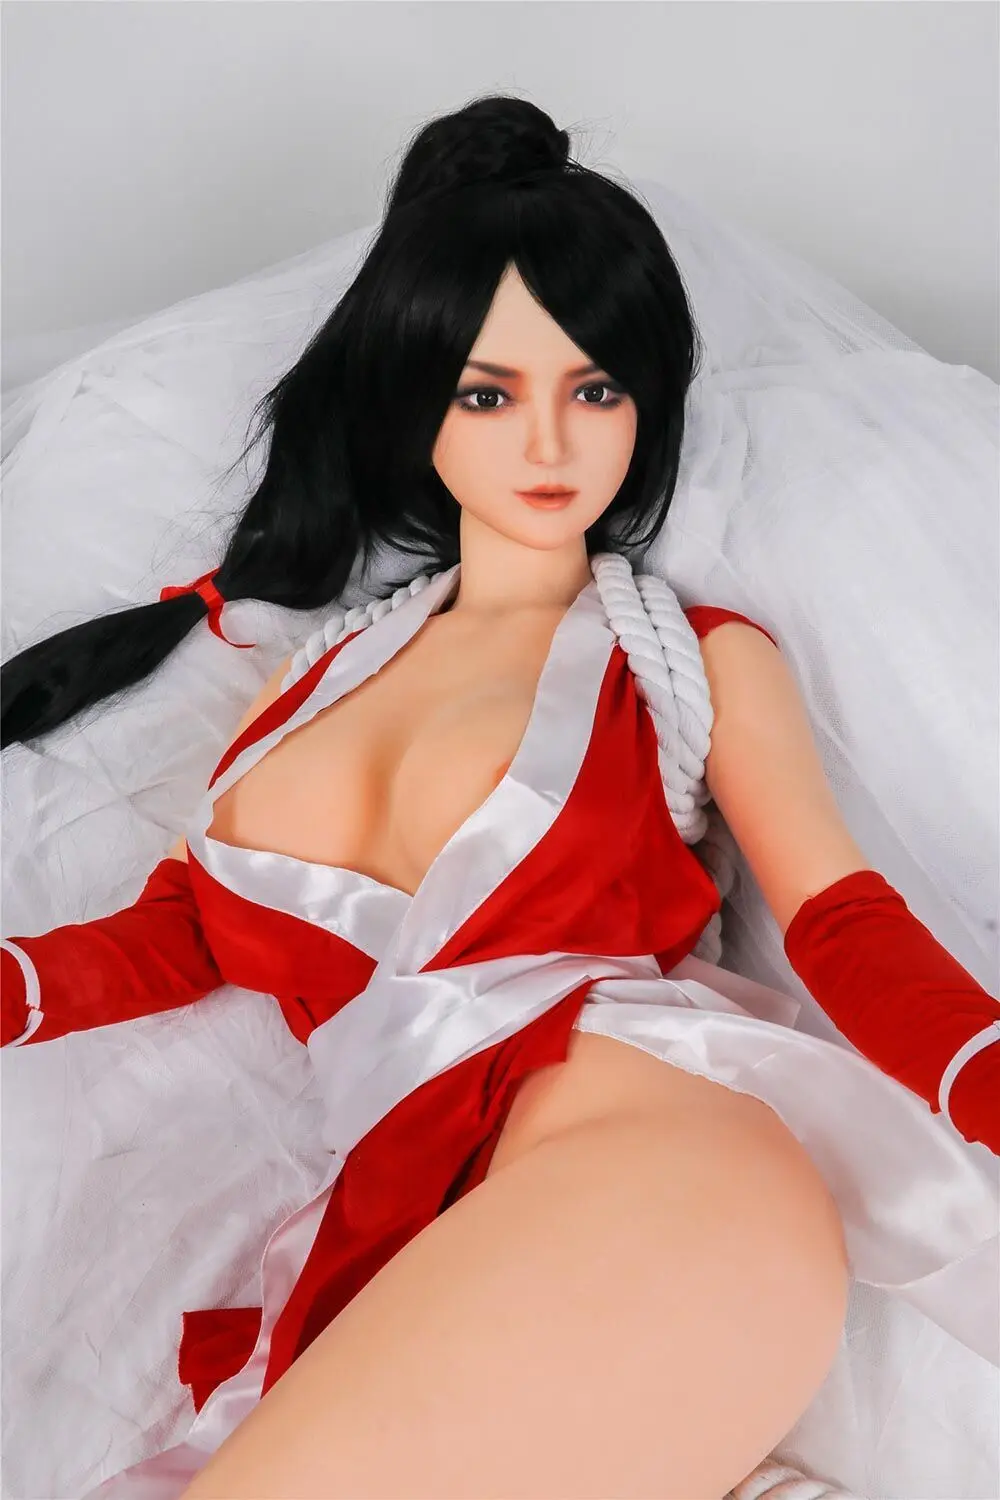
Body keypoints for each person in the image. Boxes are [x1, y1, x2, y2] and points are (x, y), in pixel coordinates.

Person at [1, 94, 996, 1500]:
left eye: (596, 390)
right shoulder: (310, 682)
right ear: (415, 402)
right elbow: (176, 937)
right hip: (424, 1235)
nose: (549, 444)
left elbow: (843, 921)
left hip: (662, 1166)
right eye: (488, 394)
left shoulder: (687, 657)